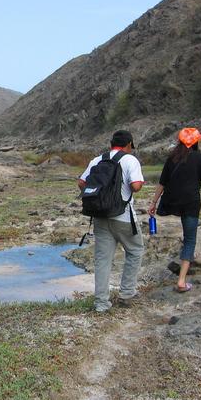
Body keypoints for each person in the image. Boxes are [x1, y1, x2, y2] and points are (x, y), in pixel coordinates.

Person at [147, 127, 201, 292]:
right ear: (196, 142)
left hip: (172, 201)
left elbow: (162, 182)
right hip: (191, 202)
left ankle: (187, 256)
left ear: (180, 141)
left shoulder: (172, 158)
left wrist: (153, 203)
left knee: (187, 236)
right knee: (190, 239)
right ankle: (181, 281)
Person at [78, 130, 145, 312]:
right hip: (123, 216)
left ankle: (101, 303)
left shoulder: (97, 160)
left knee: (102, 259)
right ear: (129, 144)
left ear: (111, 143)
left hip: (100, 216)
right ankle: (126, 293)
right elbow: (136, 186)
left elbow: (82, 183)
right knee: (135, 250)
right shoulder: (130, 160)